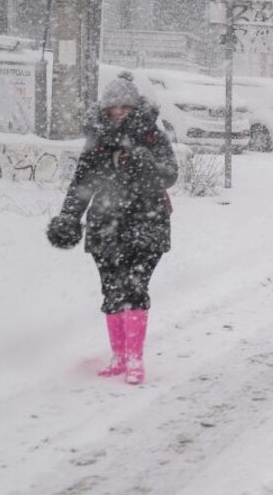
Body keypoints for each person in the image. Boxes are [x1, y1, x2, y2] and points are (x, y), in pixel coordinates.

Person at [46, 74, 178, 385]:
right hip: (105, 226)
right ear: (104, 110)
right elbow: (81, 184)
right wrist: (68, 217)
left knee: (134, 288)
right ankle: (118, 356)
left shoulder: (151, 137)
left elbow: (170, 175)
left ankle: (135, 359)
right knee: (112, 291)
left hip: (147, 225)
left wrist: (143, 162)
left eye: (124, 107)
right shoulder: (98, 141)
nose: (118, 112)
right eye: (113, 107)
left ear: (134, 107)